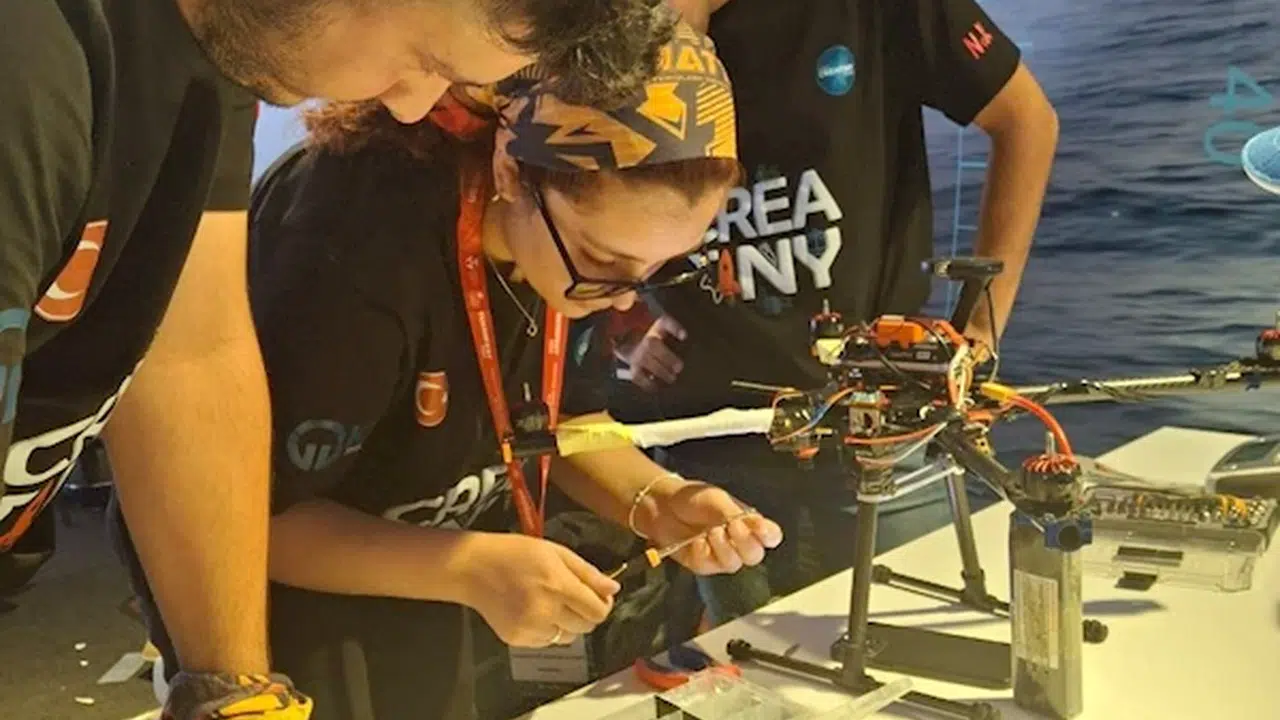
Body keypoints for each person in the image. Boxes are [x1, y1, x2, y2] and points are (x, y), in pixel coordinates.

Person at [2, 0, 680, 714]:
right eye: (425, 60)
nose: (414, 106)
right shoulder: (32, 72)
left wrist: (235, 687)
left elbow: (193, 352)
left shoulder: (212, 71)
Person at [608, 0, 1059, 625]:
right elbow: (570, 194)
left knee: (913, 634)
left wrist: (979, 332)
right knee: (736, 656)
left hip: (882, 429)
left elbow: (1026, 120)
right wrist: (624, 325)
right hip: (706, 441)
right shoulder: (610, 29)